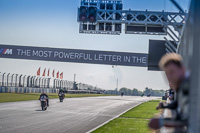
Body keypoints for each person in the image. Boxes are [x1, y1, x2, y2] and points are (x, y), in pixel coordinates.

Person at [149, 53, 189, 130]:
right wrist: (164, 106)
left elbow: (187, 120)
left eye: (172, 72)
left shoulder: (189, 86)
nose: (169, 77)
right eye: (167, 74)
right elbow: (177, 104)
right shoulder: (181, 86)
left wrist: (161, 122)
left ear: (182, 70)